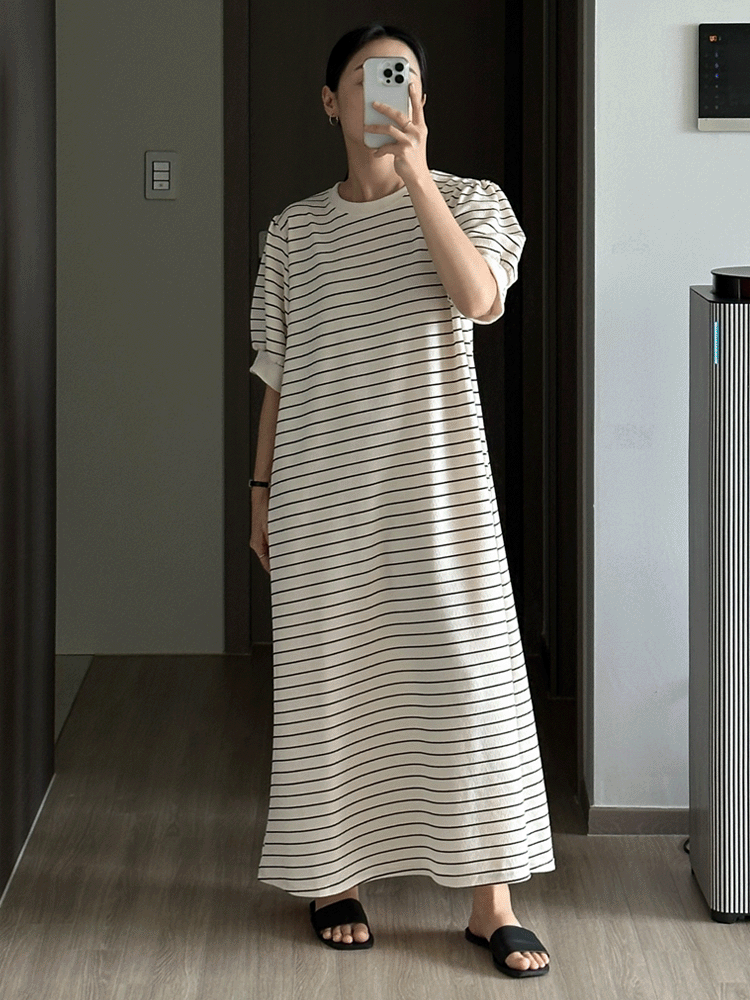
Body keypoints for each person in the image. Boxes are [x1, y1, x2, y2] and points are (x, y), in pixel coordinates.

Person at [249, 22, 555, 979]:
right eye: (367, 77)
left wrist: (418, 178)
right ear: (330, 102)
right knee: (329, 685)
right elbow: (277, 377)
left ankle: (490, 904)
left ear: (422, 99)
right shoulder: (293, 232)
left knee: (473, 683)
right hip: (318, 498)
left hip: (438, 492)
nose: (388, 91)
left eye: (404, 77)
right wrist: (258, 493)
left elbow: (479, 300)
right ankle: (330, 877)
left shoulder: (473, 200)